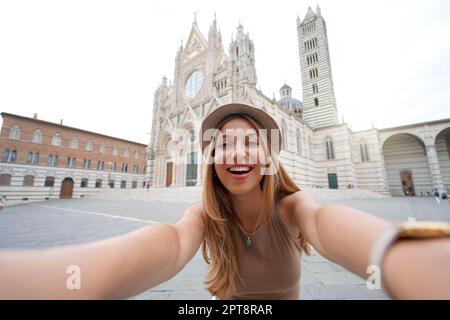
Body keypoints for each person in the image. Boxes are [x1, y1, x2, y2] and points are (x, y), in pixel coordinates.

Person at [1, 103, 450, 300]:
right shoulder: (201, 216)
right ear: (210, 158)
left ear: (269, 155)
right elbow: (168, 246)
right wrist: (56, 281)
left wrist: (401, 256)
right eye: (222, 144)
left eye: (250, 143)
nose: (236, 152)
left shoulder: (292, 207)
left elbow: (326, 223)